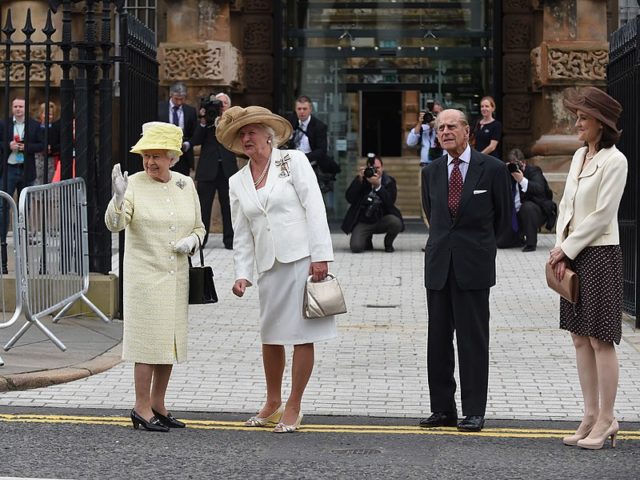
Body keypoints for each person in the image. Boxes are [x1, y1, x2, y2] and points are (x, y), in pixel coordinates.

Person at [216, 105, 336, 434]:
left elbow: (314, 206)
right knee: (270, 336)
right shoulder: (237, 181)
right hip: (268, 265)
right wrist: (242, 274)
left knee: (301, 334)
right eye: (242, 134)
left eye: (252, 131)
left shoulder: (292, 161)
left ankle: (294, 405)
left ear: (269, 136)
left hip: (300, 259)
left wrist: (321, 255)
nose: (246, 137)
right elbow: (241, 233)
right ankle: (272, 402)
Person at [104, 122, 206, 432]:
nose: (150, 162)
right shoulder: (132, 183)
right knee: (147, 344)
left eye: (157, 156)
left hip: (176, 278)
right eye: (146, 156)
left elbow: (200, 228)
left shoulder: (185, 185)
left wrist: (192, 242)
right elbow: (115, 225)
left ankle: (158, 404)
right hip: (145, 279)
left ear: (173, 157)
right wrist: (118, 199)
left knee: (168, 345)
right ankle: (140, 407)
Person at [419, 109, 511, 432]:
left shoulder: (493, 170)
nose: (444, 131)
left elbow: (501, 221)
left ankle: (474, 410)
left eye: (451, 126)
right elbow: (434, 216)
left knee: (472, 341)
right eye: (440, 127)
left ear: (467, 131)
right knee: (438, 341)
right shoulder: (430, 172)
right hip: (439, 267)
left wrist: (478, 248)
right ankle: (442, 409)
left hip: (473, 267)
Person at [549, 87, 627, 450]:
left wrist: (567, 247)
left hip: (599, 253)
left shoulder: (616, 161)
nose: (576, 122)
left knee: (600, 339)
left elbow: (601, 216)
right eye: (577, 116)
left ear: (601, 122)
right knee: (580, 338)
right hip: (572, 252)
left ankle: (608, 418)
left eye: (583, 117)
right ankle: (590, 414)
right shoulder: (581, 154)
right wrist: (558, 245)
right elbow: (567, 204)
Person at [0, 97, 44, 274]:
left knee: (24, 206)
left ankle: (23, 235)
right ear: (12, 108)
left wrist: (25, 147)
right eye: (15, 106)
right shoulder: (4, 124)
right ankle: (2, 236)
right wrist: (8, 145)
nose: (18, 109)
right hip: (9, 168)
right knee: (3, 204)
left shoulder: (34, 125)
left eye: (21, 106)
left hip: (26, 169)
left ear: (25, 109)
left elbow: (42, 145)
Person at [192, 92, 237, 249]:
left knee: (229, 207)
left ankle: (230, 240)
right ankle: (201, 240)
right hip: (207, 169)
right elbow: (196, 141)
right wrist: (204, 121)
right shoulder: (208, 120)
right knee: (203, 206)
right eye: (219, 103)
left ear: (229, 106)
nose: (222, 105)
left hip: (227, 170)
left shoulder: (234, 121)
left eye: (224, 103)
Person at [341, 153, 404, 253]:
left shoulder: (389, 181)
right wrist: (359, 181)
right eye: (373, 168)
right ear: (367, 168)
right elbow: (349, 198)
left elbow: (390, 202)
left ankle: (388, 243)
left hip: (382, 219)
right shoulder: (362, 179)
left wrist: (378, 187)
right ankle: (367, 240)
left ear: (382, 167)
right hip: (364, 221)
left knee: (395, 222)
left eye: (378, 168)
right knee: (356, 247)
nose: (375, 171)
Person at [497, 148, 557, 252]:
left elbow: (539, 189)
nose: (515, 168)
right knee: (501, 243)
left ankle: (531, 243)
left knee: (528, 207)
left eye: (517, 164)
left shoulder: (534, 171)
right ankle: (517, 239)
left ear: (524, 162)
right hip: (514, 215)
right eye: (512, 165)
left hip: (536, 212)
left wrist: (521, 180)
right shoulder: (507, 175)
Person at [157, 82, 198, 176]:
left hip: (183, 154)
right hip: (164, 151)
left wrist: (188, 143)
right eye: (177, 99)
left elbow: (194, 132)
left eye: (182, 99)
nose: (179, 102)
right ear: (170, 94)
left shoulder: (190, 111)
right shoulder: (159, 108)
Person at [406, 101, 443, 166]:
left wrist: (438, 125)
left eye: (436, 113)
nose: (433, 115)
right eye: (431, 113)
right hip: (425, 165)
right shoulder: (422, 128)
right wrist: (420, 122)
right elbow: (410, 143)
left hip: (441, 165)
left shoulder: (445, 128)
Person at [34, 101, 60, 185]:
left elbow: (60, 144)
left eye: (50, 114)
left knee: (50, 183)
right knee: (37, 182)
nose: (47, 116)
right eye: (45, 113)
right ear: (40, 114)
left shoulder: (56, 128)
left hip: (51, 159)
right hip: (37, 158)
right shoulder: (35, 127)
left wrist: (51, 148)